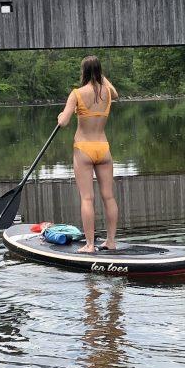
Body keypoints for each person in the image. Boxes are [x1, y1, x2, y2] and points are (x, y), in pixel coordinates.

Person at [57, 55, 119, 253]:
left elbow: (63, 122)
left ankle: (90, 245)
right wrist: (100, 75)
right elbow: (115, 93)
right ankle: (110, 241)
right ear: (100, 72)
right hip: (103, 149)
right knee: (108, 197)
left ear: (83, 72)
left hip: (84, 149)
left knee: (87, 198)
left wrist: (61, 115)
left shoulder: (76, 93)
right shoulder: (108, 92)